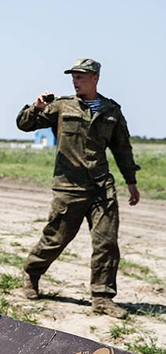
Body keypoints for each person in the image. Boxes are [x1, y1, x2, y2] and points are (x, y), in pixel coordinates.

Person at [16, 58, 140, 319]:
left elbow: (122, 149)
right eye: (73, 76)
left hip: (101, 188)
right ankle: (31, 274)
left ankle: (102, 298)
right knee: (55, 239)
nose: (75, 80)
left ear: (95, 78)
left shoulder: (111, 110)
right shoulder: (61, 106)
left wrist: (131, 182)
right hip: (69, 187)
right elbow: (25, 124)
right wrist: (35, 106)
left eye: (80, 76)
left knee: (107, 243)